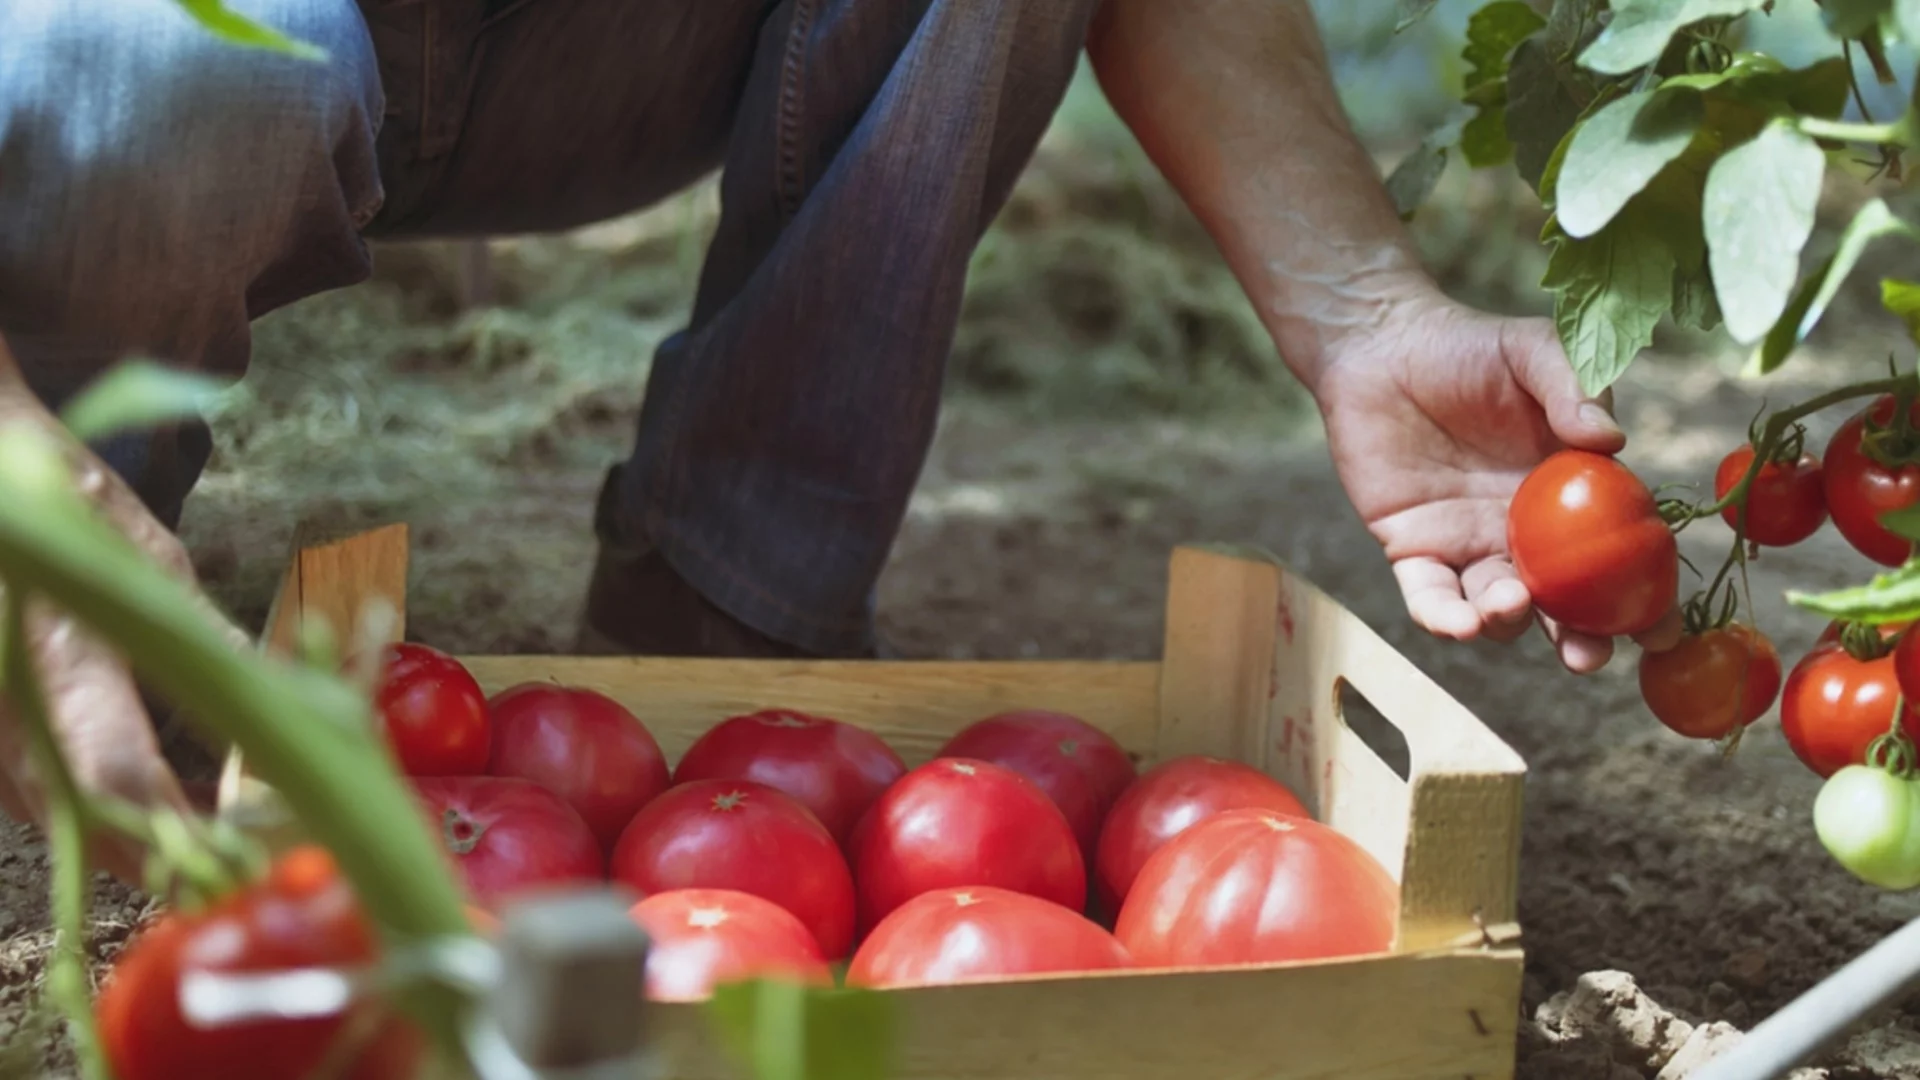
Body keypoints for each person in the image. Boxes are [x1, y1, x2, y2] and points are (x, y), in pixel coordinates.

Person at [0, 0, 1681, 877]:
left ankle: (736, 611)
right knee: (153, 82)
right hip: (154, 52)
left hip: (598, 55)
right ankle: (81, 610)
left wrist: (1366, 309)